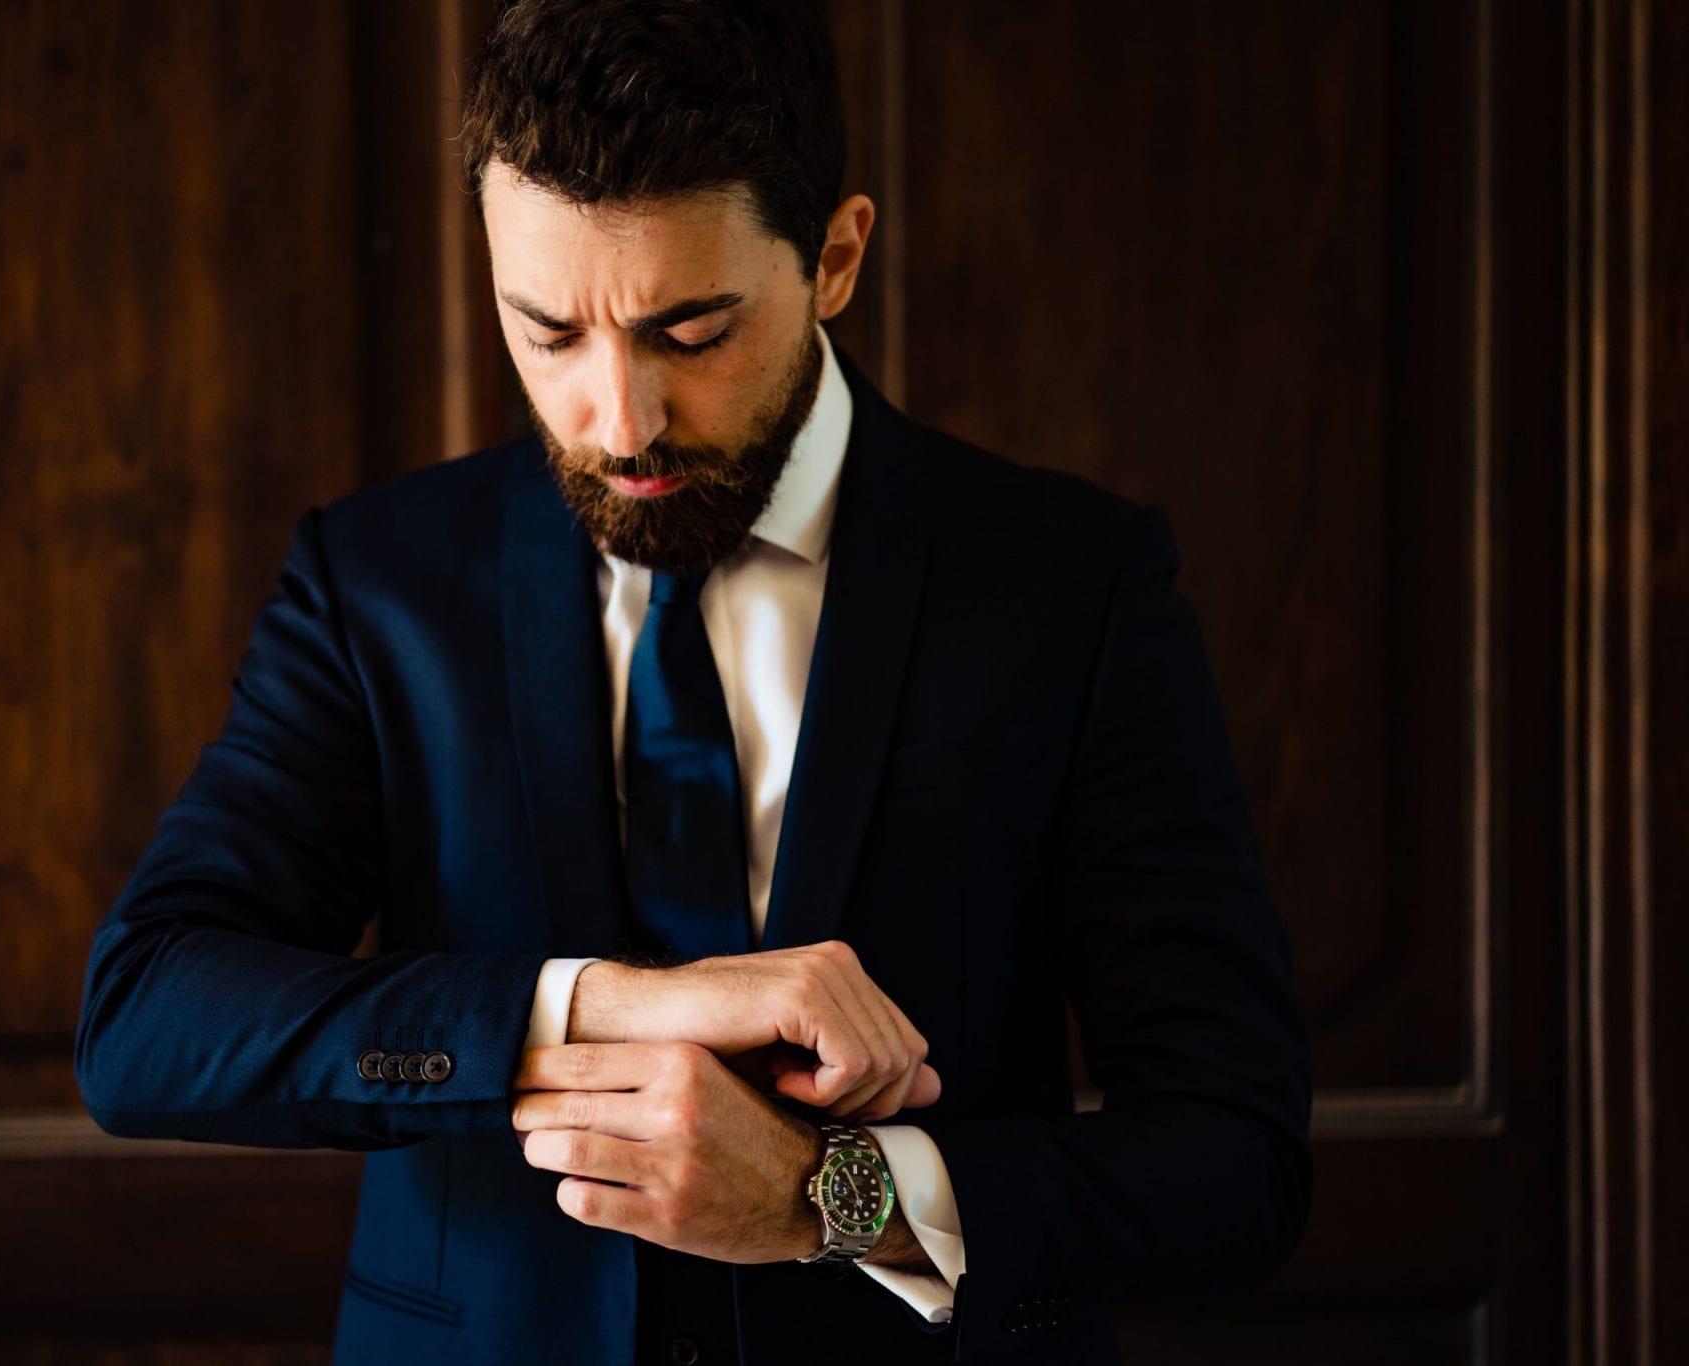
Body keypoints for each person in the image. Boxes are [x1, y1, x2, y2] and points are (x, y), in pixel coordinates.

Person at [72, 1, 1313, 1361]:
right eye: (549, 332)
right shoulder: (376, 583)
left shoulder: (1072, 586)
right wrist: (608, 1007)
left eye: (691, 331)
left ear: (834, 257)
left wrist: (830, 1198)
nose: (621, 424)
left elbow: (1237, 1159)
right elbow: (145, 1020)